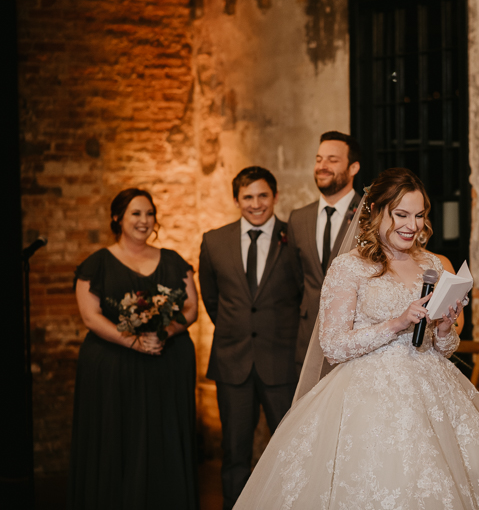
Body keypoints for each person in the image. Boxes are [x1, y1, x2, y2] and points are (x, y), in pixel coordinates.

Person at [233, 168, 479, 509]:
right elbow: (333, 345)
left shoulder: (433, 263)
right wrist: (396, 323)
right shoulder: (349, 267)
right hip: (365, 396)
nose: (411, 225)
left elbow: (443, 348)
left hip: (433, 391)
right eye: (401, 215)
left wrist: (445, 328)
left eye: (419, 216)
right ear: (376, 212)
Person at [69, 188, 199, 510]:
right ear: (118, 218)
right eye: (136, 214)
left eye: (149, 214)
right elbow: (90, 315)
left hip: (167, 364)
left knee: (164, 435)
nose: (144, 221)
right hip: (113, 367)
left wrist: (165, 332)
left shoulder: (172, 260)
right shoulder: (97, 263)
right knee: (118, 437)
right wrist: (134, 341)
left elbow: (192, 308)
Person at [199, 167, 303, 510]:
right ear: (236, 200)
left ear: (274, 197)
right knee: (234, 452)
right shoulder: (214, 241)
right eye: (247, 197)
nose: (256, 204)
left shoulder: (294, 238)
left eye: (262, 196)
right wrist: (237, 329)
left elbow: (305, 294)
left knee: (291, 448)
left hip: (282, 362)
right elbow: (212, 300)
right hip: (233, 362)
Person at [288, 131, 361, 376]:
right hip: (307, 342)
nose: (322, 166)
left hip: (354, 346)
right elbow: (297, 280)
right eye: (319, 159)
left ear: (353, 168)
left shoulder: (371, 217)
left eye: (332, 160)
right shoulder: (298, 219)